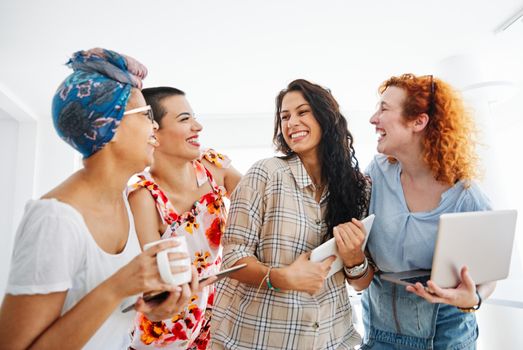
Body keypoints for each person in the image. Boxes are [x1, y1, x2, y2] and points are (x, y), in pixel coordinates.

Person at [0, 49, 206, 350]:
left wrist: (154, 305)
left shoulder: (125, 200)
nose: (154, 127)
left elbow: (104, 316)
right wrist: (117, 287)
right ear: (109, 127)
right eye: (147, 115)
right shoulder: (54, 219)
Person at [211, 79, 370, 349]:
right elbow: (232, 260)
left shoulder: (358, 188)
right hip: (260, 341)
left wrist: (355, 258)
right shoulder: (266, 174)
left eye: (302, 112)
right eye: (285, 116)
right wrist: (284, 278)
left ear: (326, 117)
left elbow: (362, 283)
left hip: (332, 339)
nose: (291, 122)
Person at [358, 73, 496, 349]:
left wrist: (474, 299)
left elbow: (488, 272)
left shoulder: (465, 196)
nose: (374, 118)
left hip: (446, 333)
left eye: (384, 109)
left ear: (419, 121)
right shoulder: (376, 173)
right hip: (380, 328)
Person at [127, 86, 241, 349]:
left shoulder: (213, 166)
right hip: (167, 330)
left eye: (194, 117)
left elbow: (261, 205)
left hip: (217, 319)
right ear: (153, 131)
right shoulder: (144, 196)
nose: (197, 126)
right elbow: (155, 283)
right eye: (184, 119)